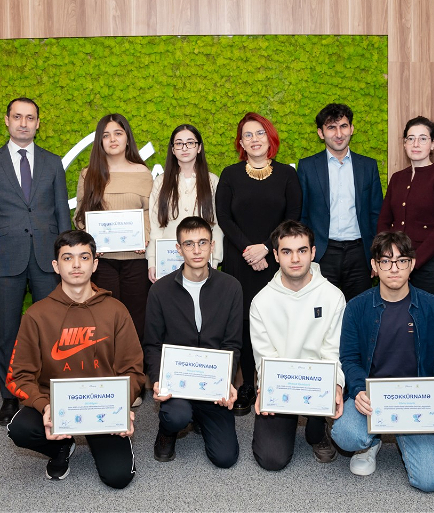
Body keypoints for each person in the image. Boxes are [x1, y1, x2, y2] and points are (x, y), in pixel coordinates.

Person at [6, 230, 145, 486]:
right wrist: (44, 406)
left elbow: (134, 369)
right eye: (68, 258)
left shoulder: (116, 310)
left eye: (84, 257)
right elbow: (19, 375)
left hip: (104, 408)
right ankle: (61, 447)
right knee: (20, 429)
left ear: (95, 264)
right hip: (55, 407)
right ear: (56, 266)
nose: (77, 264)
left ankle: (104, 441)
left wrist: (120, 405)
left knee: (118, 477)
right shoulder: (37, 315)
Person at [331, 231, 434, 492]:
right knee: (346, 434)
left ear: (412, 264)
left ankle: (403, 434)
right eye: (386, 261)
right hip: (373, 399)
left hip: (416, 401)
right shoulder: (357, 307)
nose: (394, 268)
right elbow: (349, 358)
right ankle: (371, 441)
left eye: (401, 260)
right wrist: (358, 389)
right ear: (374, 266)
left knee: (432, 480)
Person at [0, 97, 71, 426]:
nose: (24, 123)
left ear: (38, 123)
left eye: (30, 118)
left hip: (47, 260)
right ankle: (9, 396)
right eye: (18, 117)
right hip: (5, 262)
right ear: (7, 120)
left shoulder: (53, 163)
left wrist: (66, 261)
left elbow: (62, 215)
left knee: (52, 331)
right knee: (8, 333)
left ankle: (48, 392)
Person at [215, 113, 302, 415]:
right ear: (241, 143)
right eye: (248, 135)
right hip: (239, 261)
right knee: (242, 322)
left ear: (270, 137)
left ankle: (274, 381)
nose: (254, 139)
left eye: (260, 133)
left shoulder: (287, 174)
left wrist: (266, 247)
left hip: (277, 260)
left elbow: (293, 217)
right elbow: (224, 218)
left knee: (275, 320)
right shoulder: (230, 174)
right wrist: (249, 251)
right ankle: (248, 384)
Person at [144, 216, 242, 467]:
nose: (197, 250)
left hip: (212, 382)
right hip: (177, 383)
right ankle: (167, 430)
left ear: (212, 246)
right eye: (189, 244)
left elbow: (232, 344)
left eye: (202, 243)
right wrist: (157, 380)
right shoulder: (160, 290)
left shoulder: (231, 287)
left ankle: (200, 416)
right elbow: (153, 344)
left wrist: (227, 382)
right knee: (176, 416)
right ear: (179, 249)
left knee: (225, 458)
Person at [250, 220, 345, 469]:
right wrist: (266, 388)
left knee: (334, 415)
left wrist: (336, 384)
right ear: (275, 256)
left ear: (313, 252)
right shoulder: (261, 302)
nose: (295, 259)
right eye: (287, 251)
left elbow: (332, 351)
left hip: (317, 384)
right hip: (281, 385)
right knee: (272, 459)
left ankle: (317, 428)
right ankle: (291, 422)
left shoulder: (333, 296)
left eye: (302, 250)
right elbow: (264, 357)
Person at [75, 114, 152, 354]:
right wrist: (90, 239)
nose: (112, 139)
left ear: (127, 138)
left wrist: (145, 236)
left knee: (136, 319)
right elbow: (80, 217)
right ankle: (107, 373)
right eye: (106, 135)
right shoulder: (88, 174)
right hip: (102, 262)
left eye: (118, 133)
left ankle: (134, 374)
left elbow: (151, 212)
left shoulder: (143, 172)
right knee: (103, 319)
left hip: (136, 259)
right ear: (100, 141)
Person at [297, 103, 383, 302]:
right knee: (322, 310)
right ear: (321, 133)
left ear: (351, 129)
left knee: (359, 309)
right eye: (331, 127)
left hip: (360, 254)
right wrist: (305, 254)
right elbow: (302, 215)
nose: (338, 134)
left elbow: (376, 214)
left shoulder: (368, 166)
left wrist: (376, 255)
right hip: (322, 253)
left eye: (343, 126)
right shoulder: (307, 167)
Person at [377, 116, 434, 299]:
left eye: (423, 138)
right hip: (395, 264)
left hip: (431, 265)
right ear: (404, 143)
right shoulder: (397, 178)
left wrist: (414, 260)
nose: (416, 144)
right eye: (411, 138)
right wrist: (384, 256)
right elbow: (384, 220)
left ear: (433, 143)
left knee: (426, 313)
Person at [147, 124, 223, 282]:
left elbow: (217, 225)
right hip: (168, 260)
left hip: (203, 260)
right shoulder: (161, 182)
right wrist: (152, 260)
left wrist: (215, 259)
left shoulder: (212, 181)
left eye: (190, 143)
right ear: (173, 149)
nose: (184, 148)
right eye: (179, 143)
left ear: (199, 147)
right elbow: (155, 225)